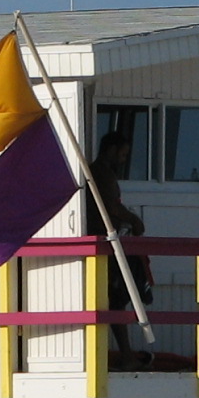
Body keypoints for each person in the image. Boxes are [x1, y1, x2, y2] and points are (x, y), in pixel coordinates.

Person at [84, 129, 154, 365]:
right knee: (116, 298)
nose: (124, 160)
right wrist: (134, 220)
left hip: (105, 243)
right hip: (104, 244)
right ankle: (124, 355)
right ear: (111, 150)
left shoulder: (100, 173)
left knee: (115, 299)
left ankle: (123, 354)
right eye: (123, 155)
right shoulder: (101, 174)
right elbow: (111, 208)